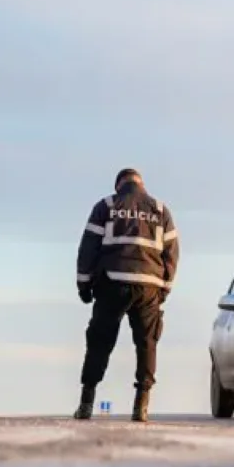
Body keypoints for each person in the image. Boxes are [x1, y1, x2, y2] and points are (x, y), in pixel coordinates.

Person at [74, 168, 179, 422]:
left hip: (112, 282)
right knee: (147, 343)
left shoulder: (106, 206)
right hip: (149, 287)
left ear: (118, 185)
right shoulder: (160, 210)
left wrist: (83, 284)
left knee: (100, 341)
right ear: (141, 184)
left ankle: (86, 403)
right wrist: (164, 287)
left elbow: (88, 248)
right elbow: (172, 253)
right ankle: (141, 406)